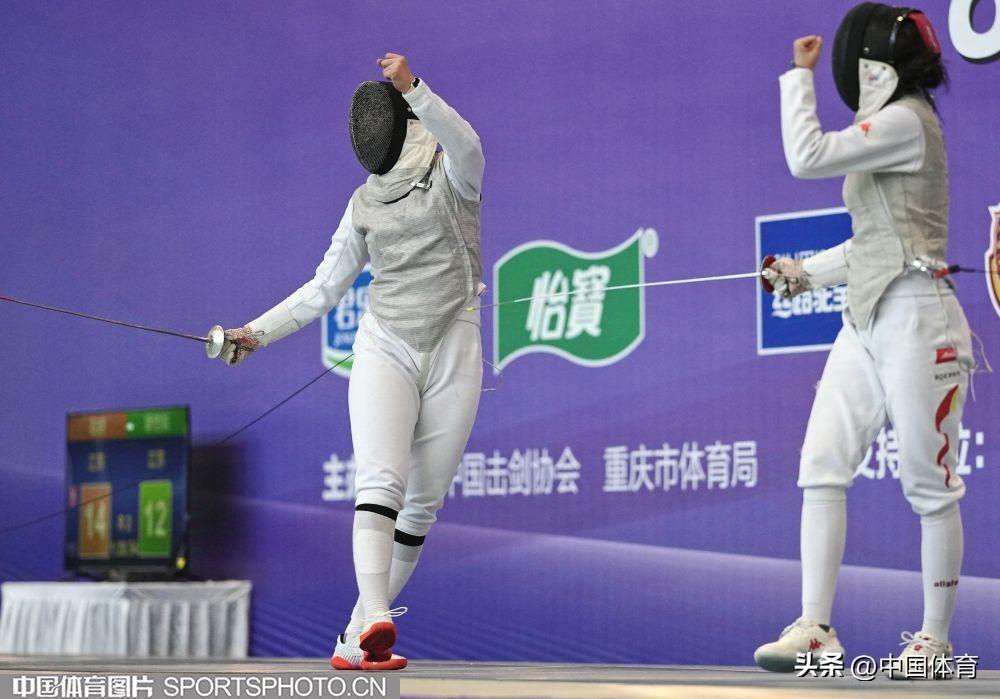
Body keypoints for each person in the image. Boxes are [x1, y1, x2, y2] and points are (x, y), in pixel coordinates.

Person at [218, 53, 485, 671]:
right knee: (380, 483)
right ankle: (380, 615)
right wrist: (254, 334)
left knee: (422, 504)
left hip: (454, 343)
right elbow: (323, 289)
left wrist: (415, 88)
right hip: (385, 345)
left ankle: (357, 635)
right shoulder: (364, 202)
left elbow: (467, 142)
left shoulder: (452, 172)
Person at [754, 4, 972, 679]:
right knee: (822, 462)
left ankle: (934, 641)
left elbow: (807, 157)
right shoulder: (893, 127)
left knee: (930, 484)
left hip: (918, 318)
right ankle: (815, 628)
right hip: (867, 314)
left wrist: (799, 76)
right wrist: (803, 273)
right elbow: (873, 241)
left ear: (872, 65)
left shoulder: (906, 121)